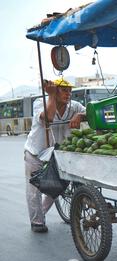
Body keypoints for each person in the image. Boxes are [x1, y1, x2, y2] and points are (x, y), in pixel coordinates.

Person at [24, 78, 86, 233]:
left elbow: (88, 111)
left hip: (57, 153)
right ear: (54, 90)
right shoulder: (40, 102)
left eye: (70, 90)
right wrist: (50, 96)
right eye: (64, 90)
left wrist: (80, 116)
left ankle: (41, 213)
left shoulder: (74, 106)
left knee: (58, 186)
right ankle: (37, 221)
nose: (68, 94)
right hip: (36, 151)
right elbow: (49, 118)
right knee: (34, 189)